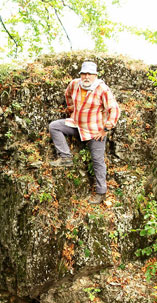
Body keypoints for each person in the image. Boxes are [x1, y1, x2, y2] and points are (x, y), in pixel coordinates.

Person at [48, 61, 120, 205]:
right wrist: (70, 108)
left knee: (97, 161)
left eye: (90, 74)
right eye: (84, 74)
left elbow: (115, 109)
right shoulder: (75, 84)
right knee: (54, 126)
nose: (86, 77)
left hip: (95, 131)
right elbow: (67, 94)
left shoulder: (102, 89)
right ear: (80, 74)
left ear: (95, 75)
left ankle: (101, 192)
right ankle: (65, 157)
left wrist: (105, 129)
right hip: (76, 124)